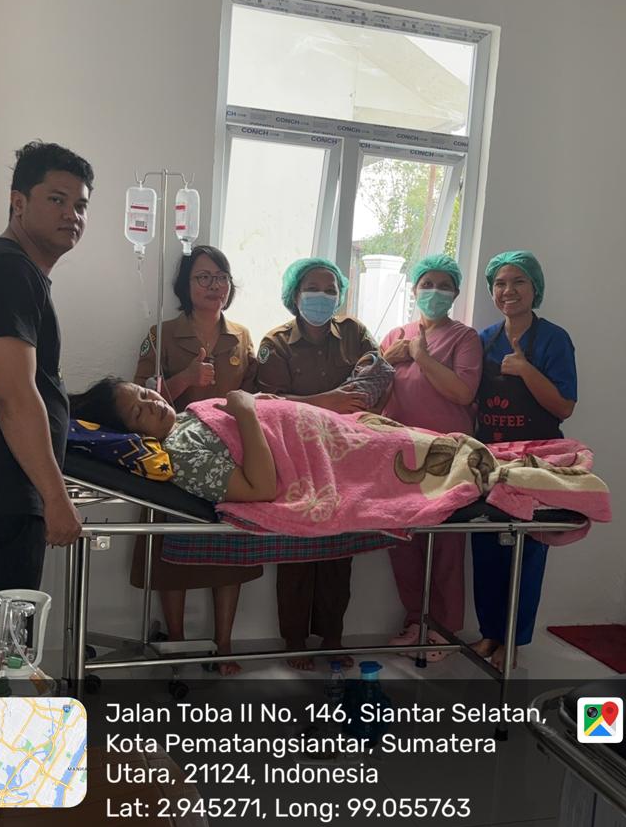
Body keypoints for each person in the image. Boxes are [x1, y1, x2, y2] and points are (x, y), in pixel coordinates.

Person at [0, 141, 93, 671]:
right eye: (56, 199)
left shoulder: (13, 271)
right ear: (18, 201)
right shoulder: (6, 271)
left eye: (80, 205)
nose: (72, 215)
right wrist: (55, 496)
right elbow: (14, 396)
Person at [130, 245, 261, 675]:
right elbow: (135, 402)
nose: (213, 285)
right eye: (202, 277)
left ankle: (224, 646)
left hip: (230, 455)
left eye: (220, 277)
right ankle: (177, 645)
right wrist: (185, 378)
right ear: (184, 285)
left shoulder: (241, 336)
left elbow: (256, 399)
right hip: (174, 456)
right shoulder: (162, 333)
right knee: (172, 551)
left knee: (230, 551)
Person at [256, 258, 382, 670]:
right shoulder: (275, 343)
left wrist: (351, 405)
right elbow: (266, 405)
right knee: (295, 548)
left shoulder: (353, 333)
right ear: (294, 294)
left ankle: (332, 638)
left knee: (338, 553)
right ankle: (294, 640)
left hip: (345, 455)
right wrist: (326, 403)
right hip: (293, 455)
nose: (322, 297)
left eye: (331, 290)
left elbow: (377, 376)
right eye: (313, 288)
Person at [471, 250, 577, 671]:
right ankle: (489, 632)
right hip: (490, 459)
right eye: (499, 283)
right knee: (485, 545)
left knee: (527, 550)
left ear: (535, 288)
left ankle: (514, 639)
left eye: (518, 281)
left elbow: (564, 406)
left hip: (538, 459)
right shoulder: (484, 339)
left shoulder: (554, 339)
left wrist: (525, 369)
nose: (508, 290)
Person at [381, 255, 482, 658]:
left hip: (447, 452)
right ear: (414, 289)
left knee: (445, 543)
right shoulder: (395, 336)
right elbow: (373, 389)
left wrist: (422, 357)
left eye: (443, 285)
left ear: (455, 292)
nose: (434, 292)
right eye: (427, 284)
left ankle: (444, 628)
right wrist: (386, 361)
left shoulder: (464, 338)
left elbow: (463, 392)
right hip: (399, 451)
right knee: (403, 541)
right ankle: (415, 621)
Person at [70, 381, 276, 505]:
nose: (152, 403)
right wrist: (246, 412)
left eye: (144, 393)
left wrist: (253, 402)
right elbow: (260, 490)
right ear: (134, 435)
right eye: (138, 412)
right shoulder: (181, 456)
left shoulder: (186, 416)